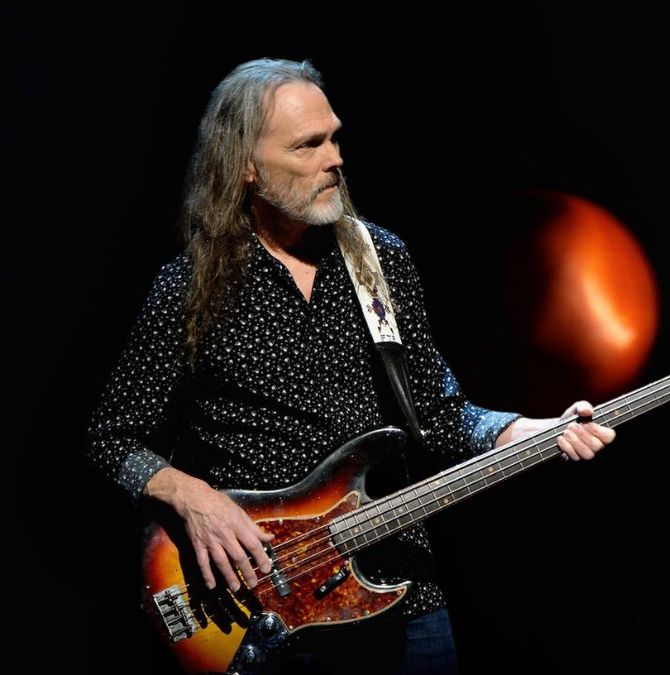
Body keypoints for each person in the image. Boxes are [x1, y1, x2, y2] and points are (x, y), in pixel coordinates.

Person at [85, 57, 615, 674]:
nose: (334, 158)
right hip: (260, 613)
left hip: (402, 596)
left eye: (335, 137)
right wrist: (194, 498)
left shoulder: (378, 259)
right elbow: (110, 438)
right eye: (309, 145)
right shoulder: (189, 288)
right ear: (247, 168)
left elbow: (438, 412)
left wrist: (523, 429)